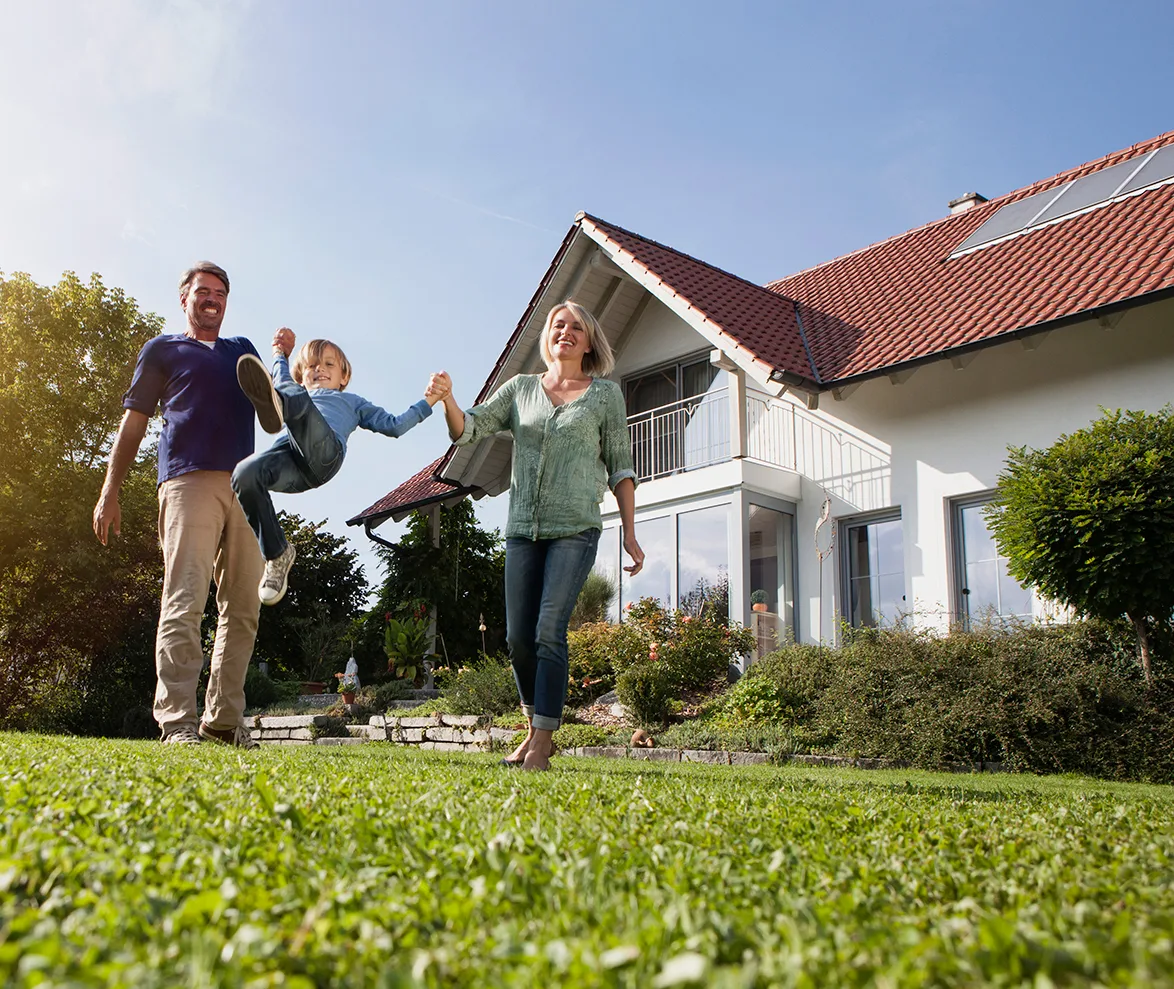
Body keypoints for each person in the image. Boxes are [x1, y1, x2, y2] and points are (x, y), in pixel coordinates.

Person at [429, 300, 644, 771]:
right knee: (518, 639)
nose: (565, 332)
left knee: (550, 629)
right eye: (557, 325)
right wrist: (448, 401)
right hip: (523, 529)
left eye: (576, 327)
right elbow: (469, 429)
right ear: (547, 337)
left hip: (575, 528)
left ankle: (543, 747)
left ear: (589, 342)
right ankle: (532, 730)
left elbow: (622, 467)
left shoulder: (605, 395)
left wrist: (630, 532)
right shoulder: (522, 389)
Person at [93, 262, 264, 748]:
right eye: (203, 292)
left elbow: (279, 403)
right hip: (188, 482)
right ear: (184, 298)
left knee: (244, 606)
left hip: (246, 485)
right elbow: (134, 423)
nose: (212, 299)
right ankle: (178, 723)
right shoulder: (163, 350)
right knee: (185, 599)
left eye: (220, 293)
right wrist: (111, 489)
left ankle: (223, 723)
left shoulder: (242, 352)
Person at [233, 328, 439, 604]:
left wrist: (430, 401)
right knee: (244, 474)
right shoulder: (296, 389)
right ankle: (277, 553)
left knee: (294, 399)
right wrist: (279, 354)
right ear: (301, 376)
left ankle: (279, 406)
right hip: (290, 460)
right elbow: (283, 379)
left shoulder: (351, 402)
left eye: (329, 364)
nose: (319, 369)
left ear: (344, 377)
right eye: (311, 366)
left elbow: (395, 426)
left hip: (326, 455)